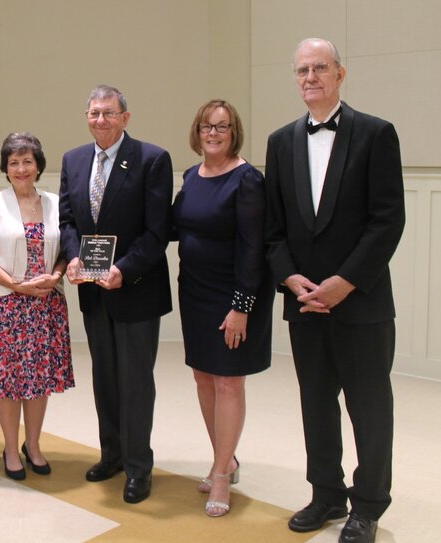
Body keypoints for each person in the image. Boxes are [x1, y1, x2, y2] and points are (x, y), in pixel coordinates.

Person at [264, 38, 405, 543]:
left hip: (361, 303)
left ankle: (368, 505)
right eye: (302, 69)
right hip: (305, 304)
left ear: (340, 75)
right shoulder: (280, 142)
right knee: (316, 404)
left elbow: (387, 221)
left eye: (320, 68)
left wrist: (344, 283)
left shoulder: (375, 134)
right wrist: (289, 277)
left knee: (368, 407)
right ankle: (325, 493)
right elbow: (274, 228)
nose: (310, 77)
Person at [59, 85, 173, 503]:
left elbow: (157, 230)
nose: (100, 120)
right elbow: (68, 219)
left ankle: (139, 468)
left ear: (126, 117)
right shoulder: (73, 160)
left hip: (136, 289)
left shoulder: (152, 159)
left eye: (108, 113)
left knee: (136, 381)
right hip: (93, 291)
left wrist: (123, 270)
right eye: (93, 113)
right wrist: (73, 258)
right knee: (105, 377)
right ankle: (112, 455)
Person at [171, 100, 274, 517]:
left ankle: (219, 476)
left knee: (229, 382)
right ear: (196, 131)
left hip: (233, 294)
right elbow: (176, 227)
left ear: (234, 133)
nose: (213, 133)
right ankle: (225, 460)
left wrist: (242, 306)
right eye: (207, 126)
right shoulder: (191, 175)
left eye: (223, 127)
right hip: (194, 291)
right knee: (203, 378)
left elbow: (254, 249)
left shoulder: (248, 179)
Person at [0, 132, 73, 481]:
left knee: (40, 381)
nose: (21, 168)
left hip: (44, 304)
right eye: (14, 162)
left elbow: (65, 252)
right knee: (9, 383)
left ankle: (34, 444)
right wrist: (16, 285)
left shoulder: (57, 203)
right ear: (5, 168)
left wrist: (55, 276)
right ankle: (11, 449)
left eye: (27, 161)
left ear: (39, 165)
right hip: (3, 306)